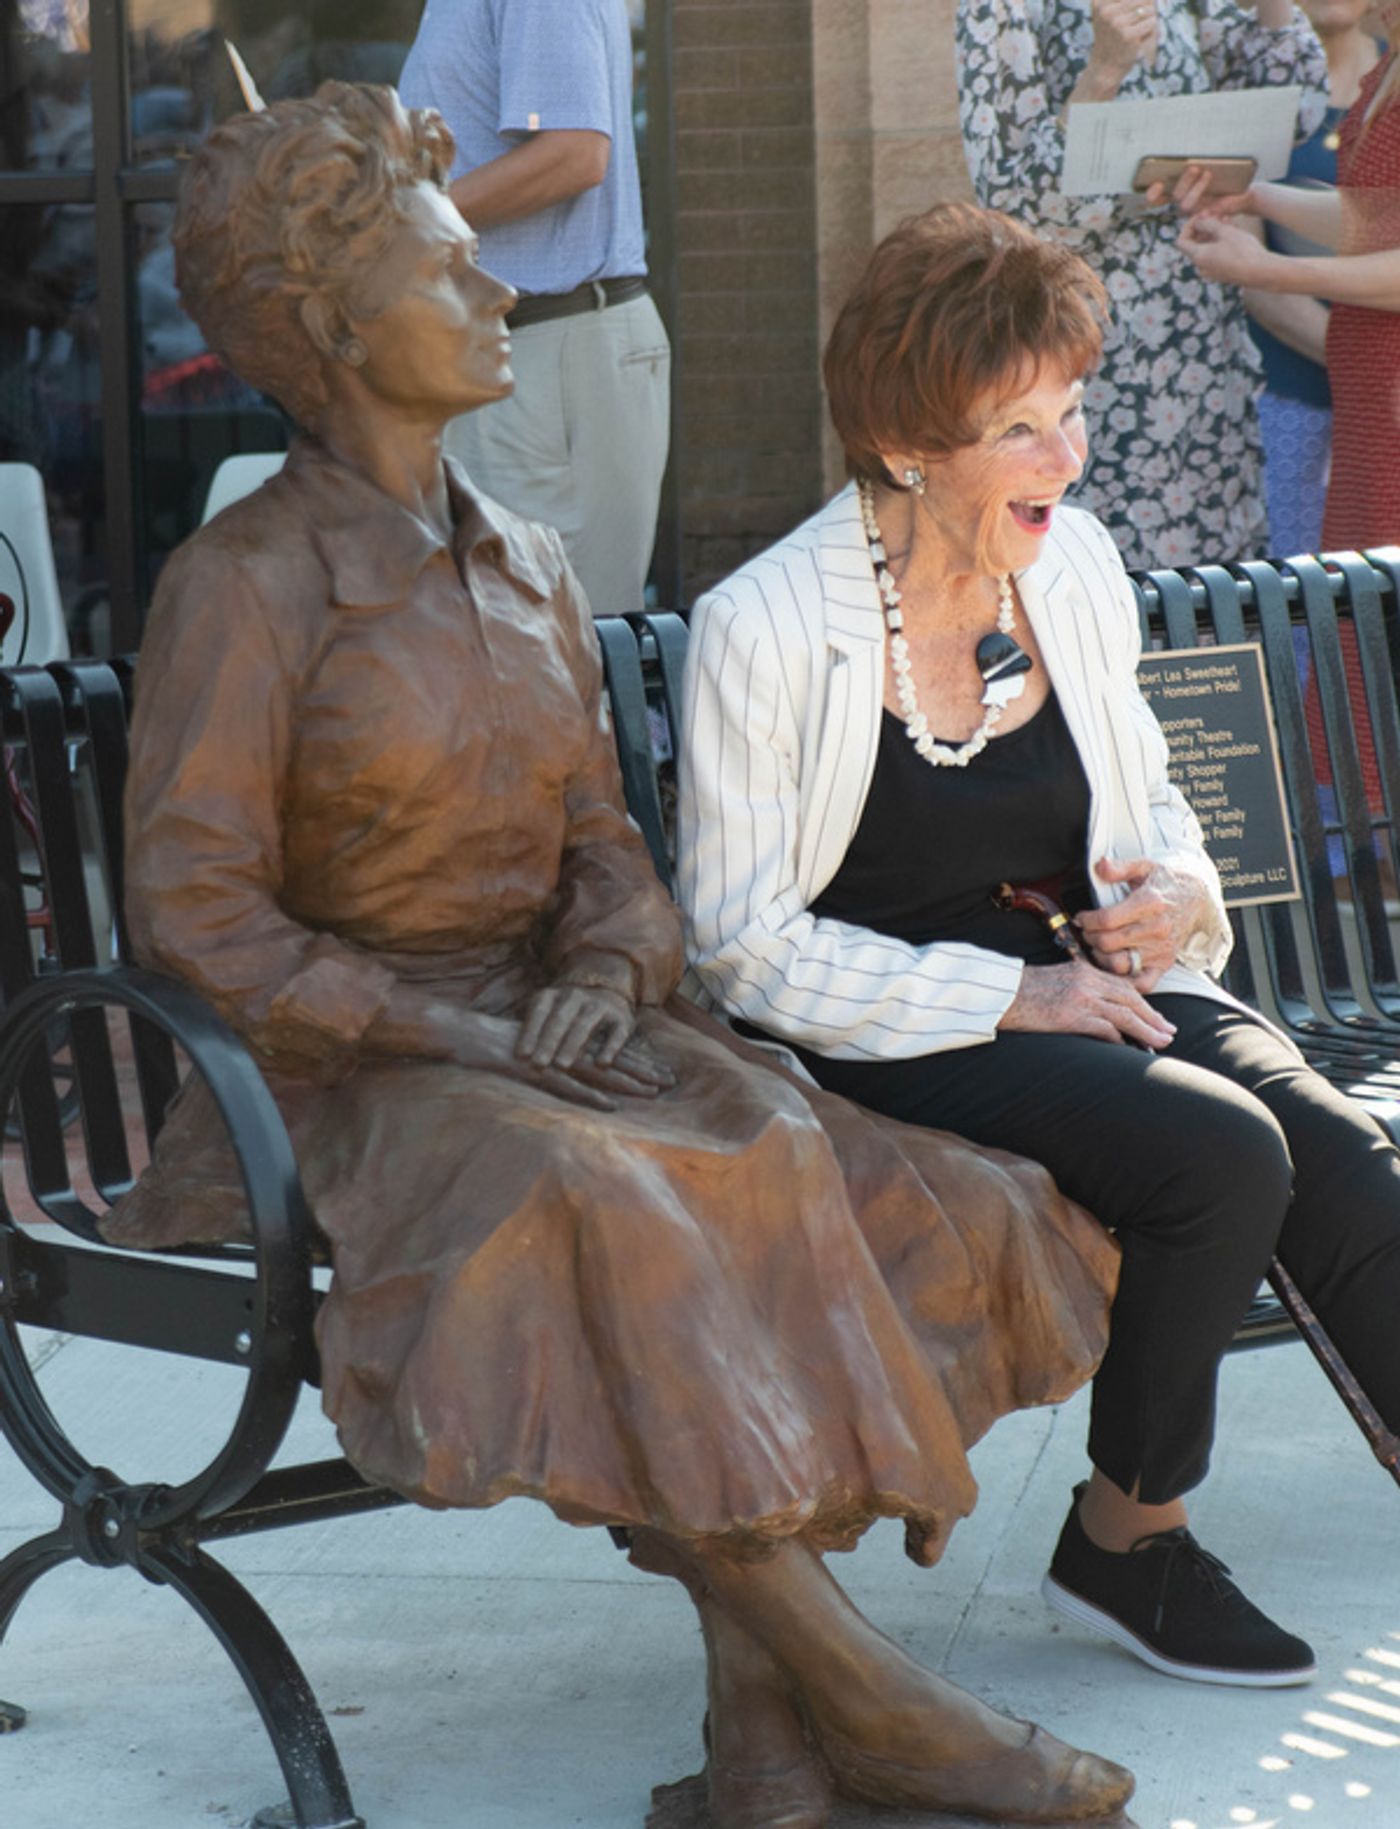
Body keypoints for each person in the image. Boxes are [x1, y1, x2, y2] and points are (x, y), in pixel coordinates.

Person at [103, 84, 1135, 1829]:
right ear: (340, 330)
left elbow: (604, 841)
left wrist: (605, 956)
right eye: (460, 270)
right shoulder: (248, 582)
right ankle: (867, 1697)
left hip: (546, 1035)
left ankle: (762, 1744)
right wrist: (441, 1018)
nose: (504, 293)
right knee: (615, 1201)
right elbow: (194, 913)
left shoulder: (528, 563)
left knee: (861, 1169)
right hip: (333, 1084)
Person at [678, 201, 1400, 1694]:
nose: (1067, 459)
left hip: (1090, 978)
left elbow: (1151, 801)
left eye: (1069, 412)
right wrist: (1017, 993)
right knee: (1219, 1156)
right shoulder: (765, 625)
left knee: (1330, 1143)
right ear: (904, 445)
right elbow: (743, 946)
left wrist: (1171, 898)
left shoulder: (1068, 568)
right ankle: (1128, 1538)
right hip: (886, 1017)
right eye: (1020, 429)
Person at [955, 0, 1327, 568]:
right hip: (1086, 367)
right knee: (1097, 601)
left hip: (1202, 360)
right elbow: (1014, 203)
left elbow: (1295, 111)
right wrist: (1103, 71)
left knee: (1214, 612)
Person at [396, 0, 669, 618]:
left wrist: (402, 219)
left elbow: (575, 153)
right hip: (514, 352)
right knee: (507, 651)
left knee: (558, 653)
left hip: (549, 348)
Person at [1179, 4, 1400, 548]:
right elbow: (1380, 220)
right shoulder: (1388, 64)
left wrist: (1274, 270)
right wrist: (1255, 198)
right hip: (1367, 405)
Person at [1245, 0, 1382, 553]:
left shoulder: (1387, 77)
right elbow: (1254, 279)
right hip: (1292, 394)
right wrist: (1353, 360)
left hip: (1383, 394)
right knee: (1302, 597)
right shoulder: (1260, 88)